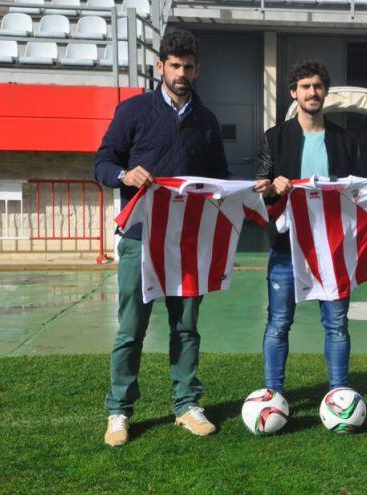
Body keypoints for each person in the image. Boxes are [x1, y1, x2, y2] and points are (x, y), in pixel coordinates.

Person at [95, 29, 229, 446]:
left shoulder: (207, 121)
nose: (181, 73)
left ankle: (186, 404)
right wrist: (124, 175)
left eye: (188, 66)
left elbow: (219, 178)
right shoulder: (132, 111)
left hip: (188, 240)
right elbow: (102, 162)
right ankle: (119, 410)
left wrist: (241, 191)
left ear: (197, 69)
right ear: (160, 66)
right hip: (140, 237)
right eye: (174, 66)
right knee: (131, 328)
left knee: (186, 327)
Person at [255, 60, 367, 396]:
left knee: (337, 325)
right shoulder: (275, 137)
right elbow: (259, 187)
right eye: (305, 86)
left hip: (333, 248)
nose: (312, 92)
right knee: (279, 324)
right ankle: (273, 394)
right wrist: (273, 187)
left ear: (325, 92)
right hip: (286, 247)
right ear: (293, 93)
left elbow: (358, 190)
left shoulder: (345, 139)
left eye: (318, 86)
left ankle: (339, 393)